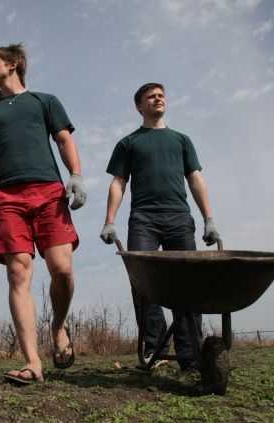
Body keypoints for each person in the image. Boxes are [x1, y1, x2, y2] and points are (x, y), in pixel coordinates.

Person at [0, 43, 86, 384]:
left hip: (48, 192)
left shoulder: (44, 101)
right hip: (8, 197)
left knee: (63, 270)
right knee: (18, 275)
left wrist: (76, 175)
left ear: (12, 65)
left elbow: (64, 139)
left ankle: (58, 326)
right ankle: (32, 362)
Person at [100, 82, 220, 371]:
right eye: (150, 96)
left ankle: (189, 356)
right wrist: (109, 221)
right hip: (143, 219)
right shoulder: (129, 143)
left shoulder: (181, 140)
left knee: (187, 287)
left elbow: (195, 179)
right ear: (139, 106)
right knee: (143, 283)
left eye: (161, 95)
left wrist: (209, 219)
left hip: (179, 218)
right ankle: (155, 348)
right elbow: (118, 182)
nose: (158, 98)